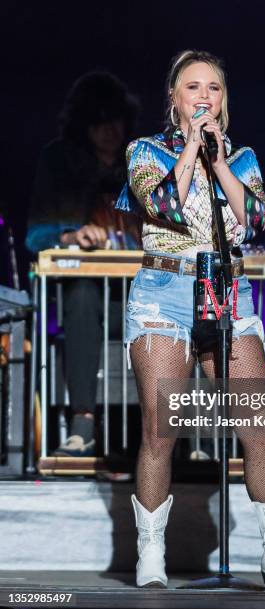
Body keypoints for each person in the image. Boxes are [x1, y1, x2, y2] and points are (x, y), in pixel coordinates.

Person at [115, 50, 265, 590]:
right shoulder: (145, 151)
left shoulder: (242, 157)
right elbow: (164, 207)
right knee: (162, 429)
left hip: (228, 291)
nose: (204, 96)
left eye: (215, 88)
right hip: (163, 291)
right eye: (193, 86)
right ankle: (149, 553)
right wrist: (192, 151)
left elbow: (255, 219)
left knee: (260, 431)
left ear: (225, 100)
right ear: (173, 99)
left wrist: (218, 161)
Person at [26, 72, 141, 457]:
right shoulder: (58, 161)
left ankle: (187, 438)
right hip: (88, 304)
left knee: (182, 303)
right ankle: (83, 424)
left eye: (114, 119)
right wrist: (71, 236)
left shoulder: (145, 160)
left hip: (140, 297)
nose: (108, 129)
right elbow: (35, 236)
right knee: (81, 293)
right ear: (83, 124)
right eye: (98, 121)